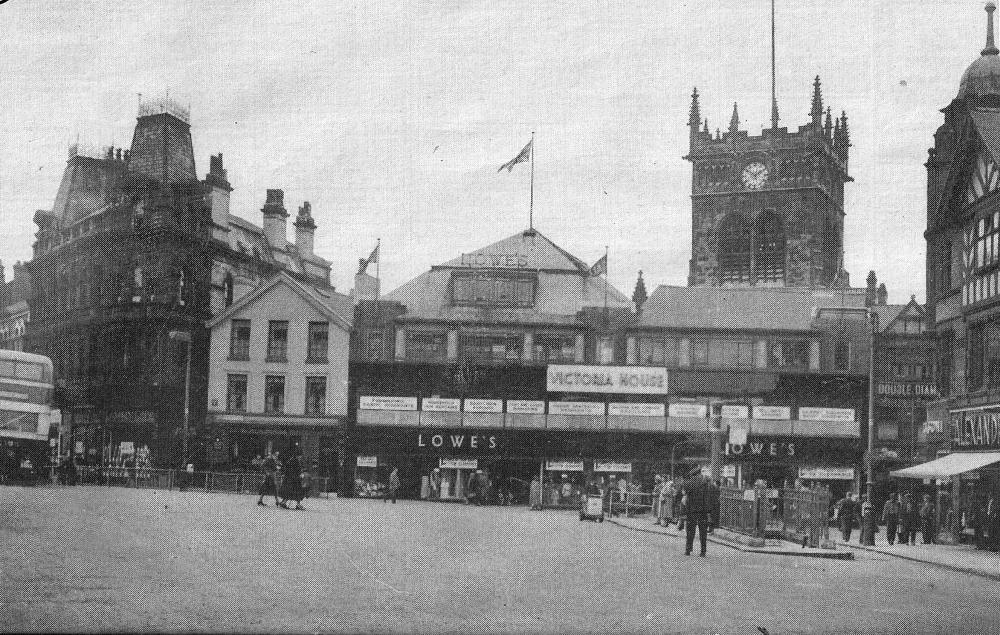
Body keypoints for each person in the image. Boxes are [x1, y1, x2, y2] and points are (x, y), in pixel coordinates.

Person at [681, 466, 712, 557]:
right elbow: (707, 497)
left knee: (690, 530)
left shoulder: (689, 483)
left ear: (693, 475)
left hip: (691, 510)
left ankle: (688, 549)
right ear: (699, 474)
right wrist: (708, 511)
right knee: (703, 532)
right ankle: (703, 551)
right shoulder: (705, 483)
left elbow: (684, 493)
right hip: (702, 510)